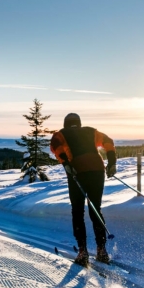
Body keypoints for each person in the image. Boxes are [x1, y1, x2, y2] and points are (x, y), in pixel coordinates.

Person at [50, 113, 117, 266]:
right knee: (95, 209)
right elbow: (108, 142)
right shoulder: (91, 132)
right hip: (97, 171)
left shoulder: (60, 134)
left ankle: (83, 252)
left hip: (77, 172)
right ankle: (101, 250)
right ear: (79, 123)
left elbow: (56, 148)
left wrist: (67, 164)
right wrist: (112, 162)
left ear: (66, 123)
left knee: (78, 211)